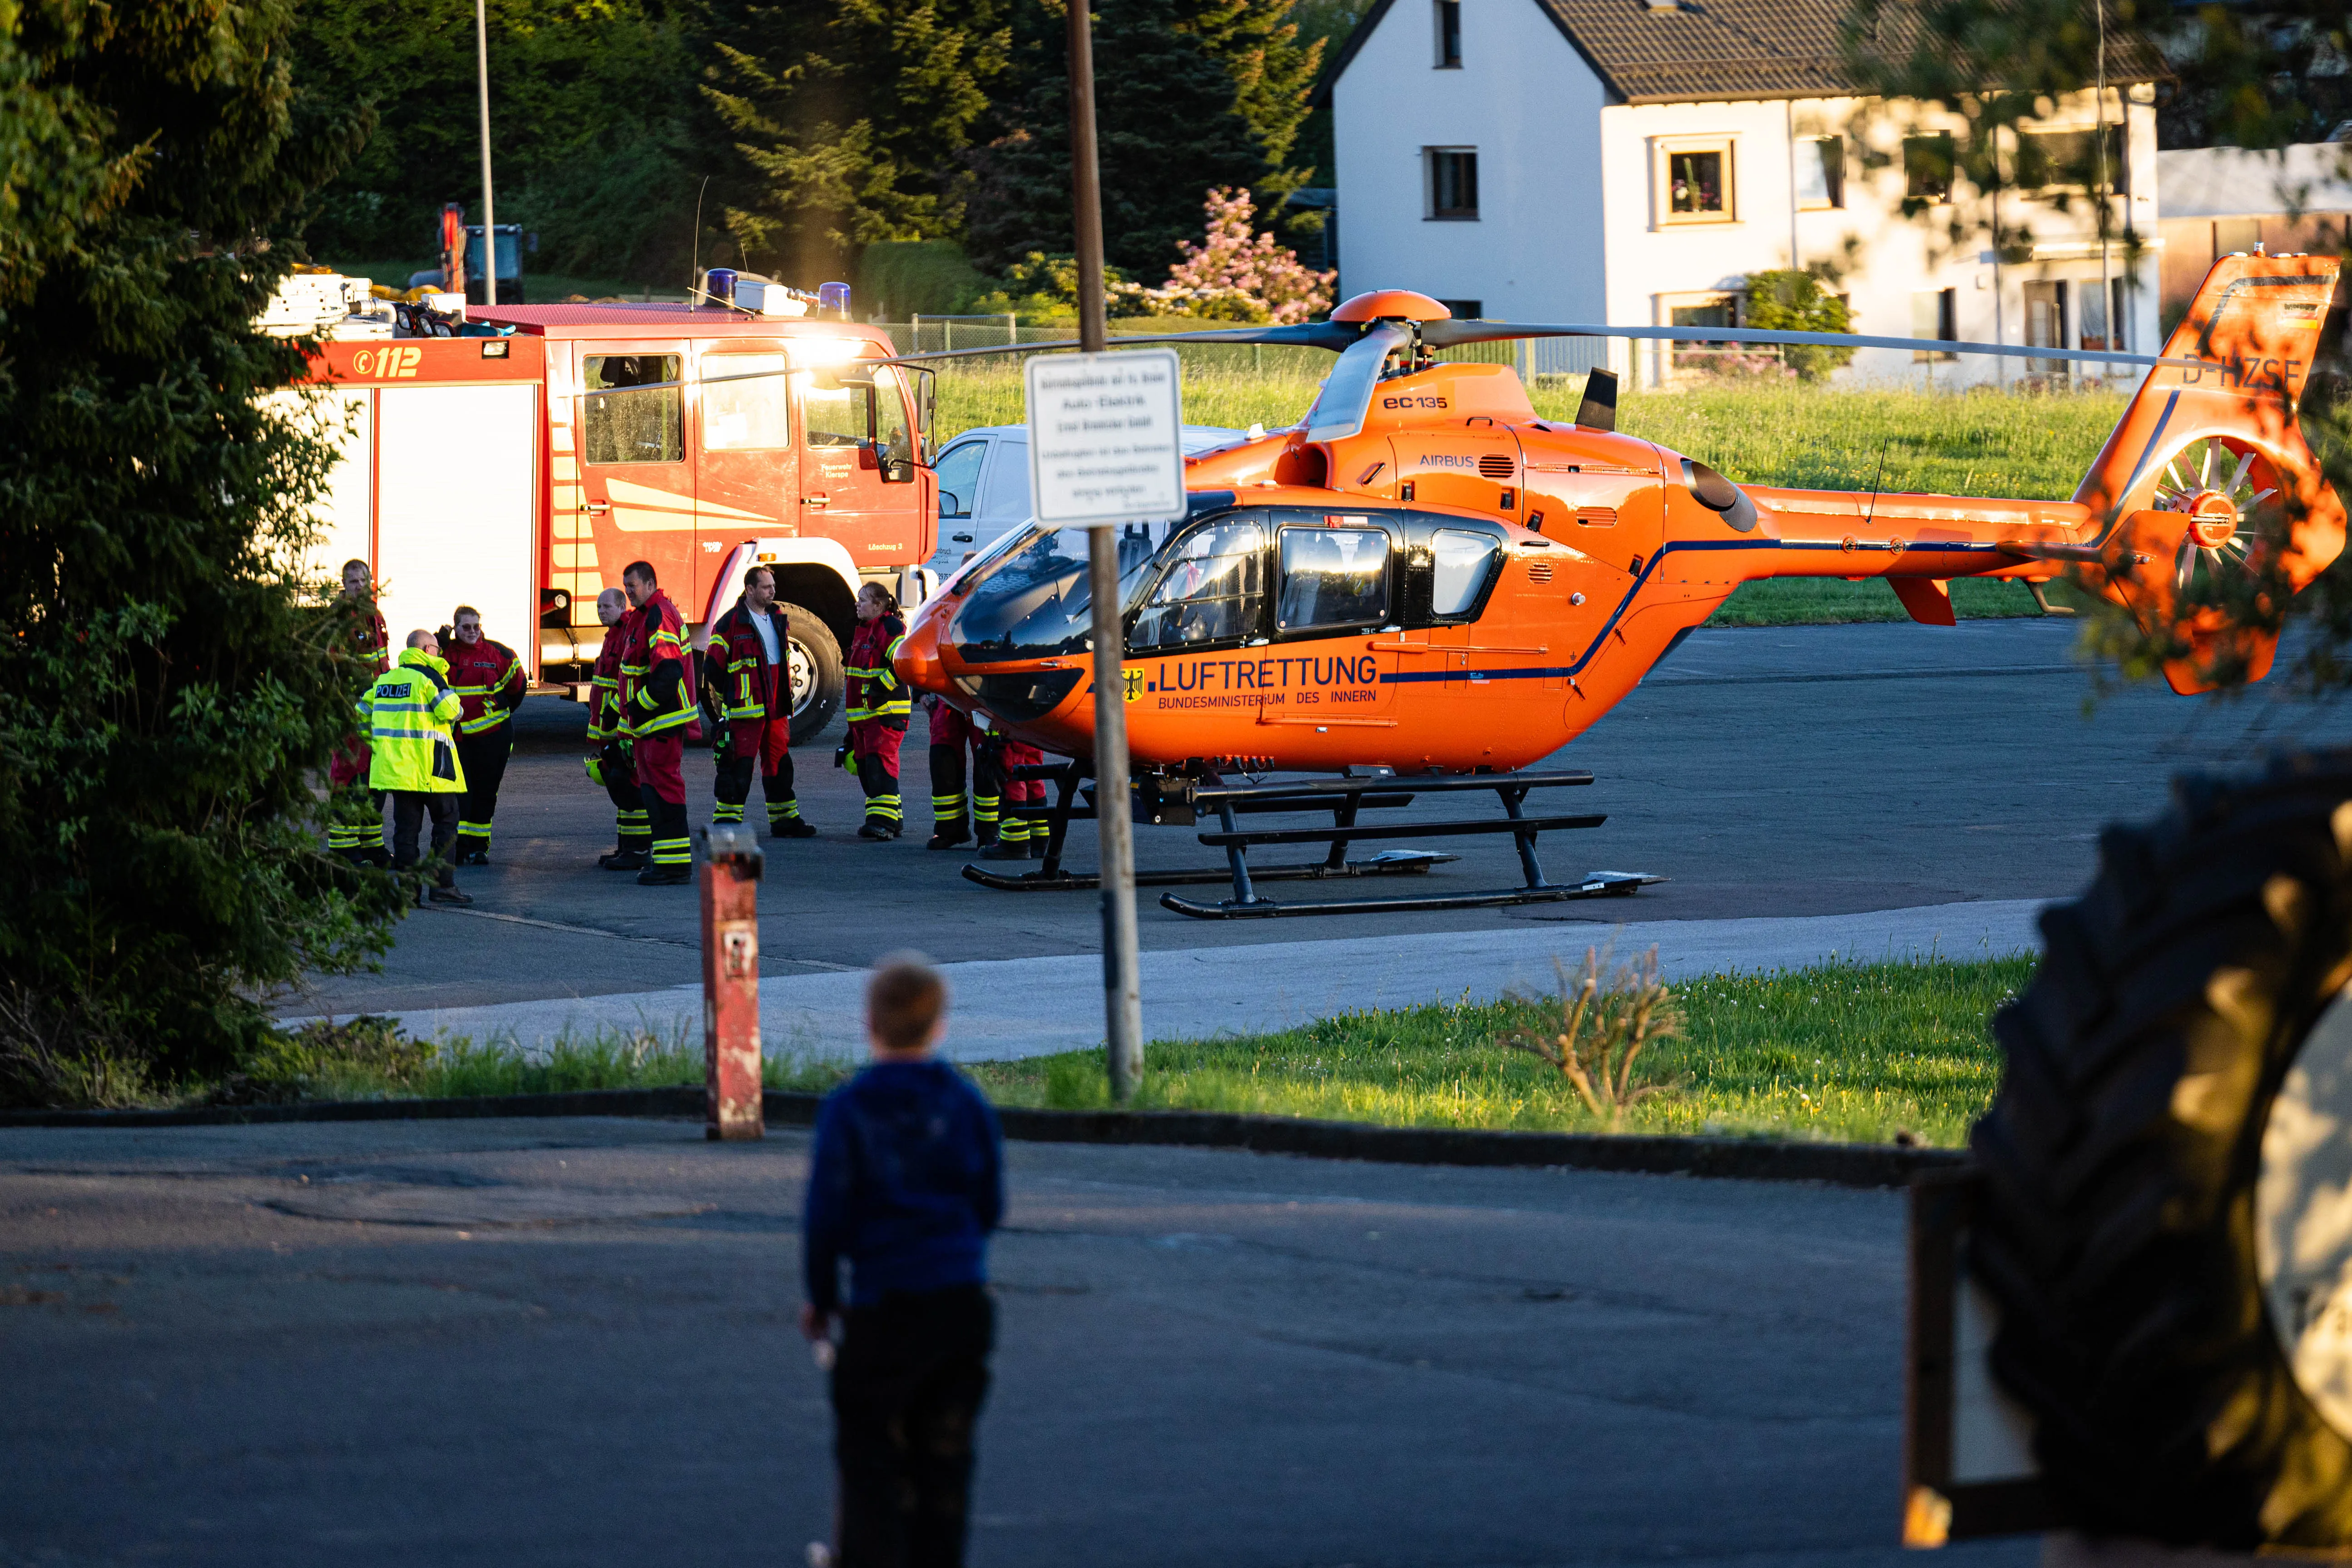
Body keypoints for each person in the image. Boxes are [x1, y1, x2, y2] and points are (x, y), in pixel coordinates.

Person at [802, 956, 1002, 1568]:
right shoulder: (966, 1104)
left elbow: (826, 1215)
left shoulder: (849, 1108)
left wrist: (821, 1295)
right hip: (958, 1304)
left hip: (883, 1307)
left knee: (871, 1463)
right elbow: (989, 1201)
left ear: (869, 1024)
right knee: (945, 1466)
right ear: (939, 1025)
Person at [361, 628, 473, 906]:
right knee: (446, 824)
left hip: (398, 773)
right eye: (436, 648)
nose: (439, 653)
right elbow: (453, 711)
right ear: (425, 650)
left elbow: (361, 714)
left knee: (406, 832)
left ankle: (408, 892)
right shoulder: (429, 677)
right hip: (432, 770)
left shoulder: (385, 679)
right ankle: (441, 885)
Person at [708, 565, 817, 839]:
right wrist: (731, 698)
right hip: (746, 710)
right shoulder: (730, 623)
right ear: (750, 590)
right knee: (738, 766)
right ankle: (727, 824)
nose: (773, 591)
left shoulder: (778, 617)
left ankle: (785, 820)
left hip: (776, 707)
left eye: (773, 586)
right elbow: (713, 668)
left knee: (780, 762)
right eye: (767, 587)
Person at [618, 560, 703, 885]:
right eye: (625, 585)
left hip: (661, 722)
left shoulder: (658, 615)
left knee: (665, 790)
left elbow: (668, 673)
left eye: (633, 585)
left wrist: (638, 708)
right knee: (654, 792)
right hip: (649, 724)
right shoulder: (642, 617)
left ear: (651, 584)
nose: (628, 591)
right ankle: (666, 862)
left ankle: (675, 866)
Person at [443, 604, 526, 865]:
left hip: (494, 738)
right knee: (459, 794)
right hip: (458, 739)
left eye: (476, 626)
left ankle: (480, 848)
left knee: (486, 792)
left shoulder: (500, 653)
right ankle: (460, 847)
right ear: (455, 628)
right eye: (465, 627)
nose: (471, 632)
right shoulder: (444, 653)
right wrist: (439, 637)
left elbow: (518, 688)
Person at [327, 559, 392, 866]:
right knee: (349, 776)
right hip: (350, 710)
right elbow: (332, 668)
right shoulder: (340, 619)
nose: (359, 587)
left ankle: (371, 845)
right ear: (343, 584)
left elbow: (382, 662)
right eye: (353, 582)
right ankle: (343, 848)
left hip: (375, 710)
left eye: (363, 581)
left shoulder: (374, 615)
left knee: (373, 779)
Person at [585, 588, 651, 870]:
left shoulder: (627, 633)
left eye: (607, 607)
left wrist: (616, 720)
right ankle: (626, 848)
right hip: (609, 728)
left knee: (627, 784)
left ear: (622, 606)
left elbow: (627, 684)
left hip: (622, 727)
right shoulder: (612, 635)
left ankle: (637, 852)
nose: (601, 611)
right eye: (599, 606)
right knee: (619, 788)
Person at [842, 582, 910, 841]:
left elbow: (902, 663)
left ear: (879, 606)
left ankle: (883, 824)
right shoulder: (864, 631)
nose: (858, 604)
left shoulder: (889, 628)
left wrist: (880, 689)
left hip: (885, 713)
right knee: (869, 770)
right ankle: (893, 818)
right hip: (864, 719)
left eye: (863, 600)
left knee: (880, 768)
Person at [921, 695, 995, 852]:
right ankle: (950, 829)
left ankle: (989, 831)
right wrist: (920, 692)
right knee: (943, 756)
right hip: (946, 691)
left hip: (984, 690)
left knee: (987, 759)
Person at [975, 719, 1044, 862]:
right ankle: (1039, 839)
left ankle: (1015, 842)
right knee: (1032, 775)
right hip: (1032, 722)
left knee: (1011, 777)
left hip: (1008, 723)